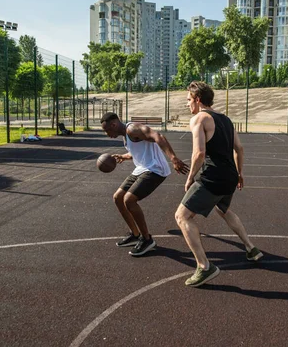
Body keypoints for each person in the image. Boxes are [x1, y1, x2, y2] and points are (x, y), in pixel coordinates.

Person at [174, 82, 262, 287]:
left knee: (182, 216)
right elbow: (239, 148)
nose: (187, 105)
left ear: (197, 99)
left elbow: (199, 153)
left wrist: (190, 177)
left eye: (188, 100)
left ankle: (204, 266)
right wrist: (240, 174)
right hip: (230, 176)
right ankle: (251, 248)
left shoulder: (199, 118)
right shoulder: (226, 119)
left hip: (213, 176)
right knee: (224, 209)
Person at [100, 112, 189, 256]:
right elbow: (137, 153)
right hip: (141, 168)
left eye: (107, 130)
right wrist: (123, 156)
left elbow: (157, 136)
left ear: (114, 125)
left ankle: (146, 239)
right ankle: (135, 234)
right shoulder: (125, 137)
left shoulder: (132, 129)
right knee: (118, 197)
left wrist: (173, 158)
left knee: (129, 200)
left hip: (155, 169)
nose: (107, 133)